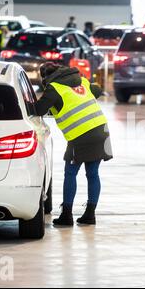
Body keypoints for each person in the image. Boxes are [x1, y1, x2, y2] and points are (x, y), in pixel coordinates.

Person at [35, 62, 113, 226]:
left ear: (45, 77)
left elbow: (38, 109)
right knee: (93, 173)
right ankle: (90, 215)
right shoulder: (82, 80)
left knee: (70, 173)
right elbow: (97, 91)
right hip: (101, 129)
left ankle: (67, 215)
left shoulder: (54, 88)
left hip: (81, 134)